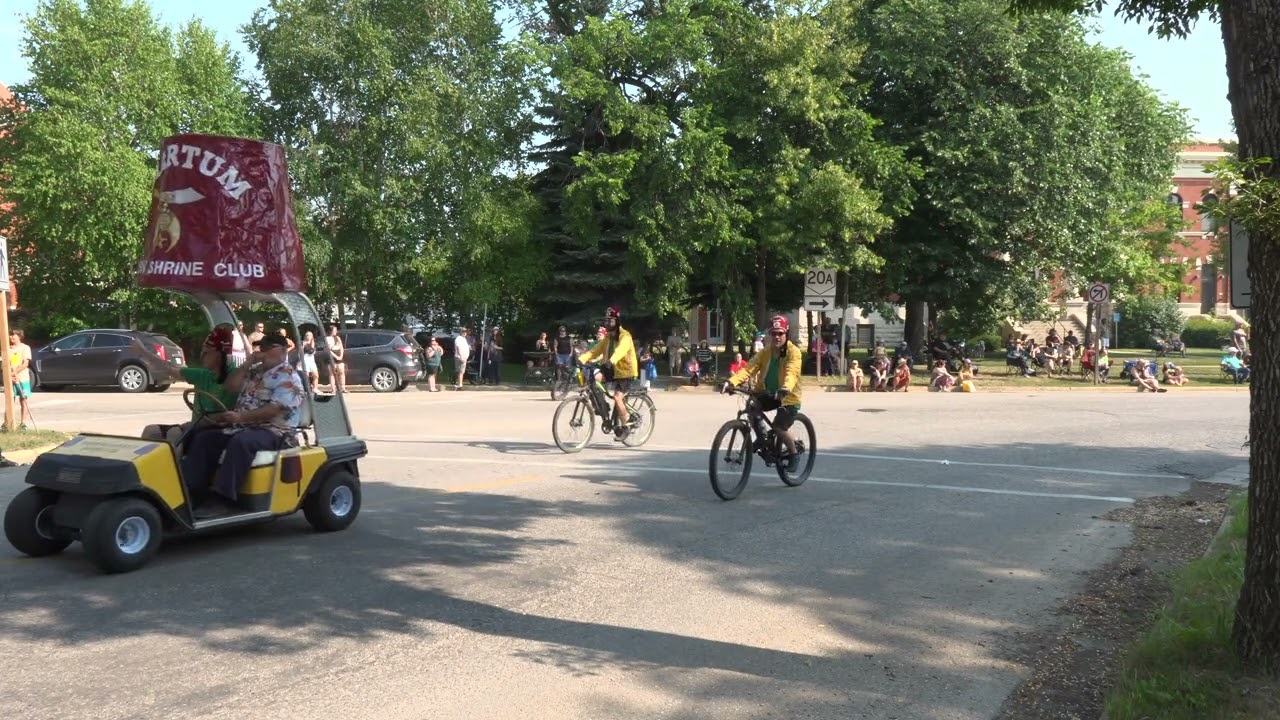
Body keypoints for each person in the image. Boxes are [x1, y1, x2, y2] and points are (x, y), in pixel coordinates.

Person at [180, 334, 305, 518]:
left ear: (283, 351)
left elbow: (272, 410)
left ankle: (224, 499)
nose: (263, 352)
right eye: (261, 348)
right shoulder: (255, 371)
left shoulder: (289, 377)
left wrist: (240, 417)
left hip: (274, 431)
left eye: (268, 348)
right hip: (243, 426)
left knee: (241, 442)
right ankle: (192, 491)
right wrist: (247, 364)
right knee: (204, 438)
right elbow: (230, 387)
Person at [721, 315, 804, 470]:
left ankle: (794, 454)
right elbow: (749, 368)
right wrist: (732, 382)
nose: (777, 337)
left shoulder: (794, 352)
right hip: (768, 393)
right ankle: (762, 438)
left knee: (779, 427)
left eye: (780, 333)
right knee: (752, 406)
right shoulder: (765, 352)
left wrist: (786, 388)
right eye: (773, 333)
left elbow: (791, 372)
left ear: (786, 333)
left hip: (788, 396)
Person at [143, 326, 241, 443]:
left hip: (219, 431)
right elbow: (169, 370)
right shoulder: (203, 374)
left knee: (175, 433)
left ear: (219, 355)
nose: (202, 355)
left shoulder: (236, 377)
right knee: (151, 431)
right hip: (197, 426)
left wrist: (208, 418)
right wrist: (143, 352)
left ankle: (178, 455)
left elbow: (228, 414)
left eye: (206, 352)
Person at [578, 306, 639, 440]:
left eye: (610, 321)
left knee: (617, 398)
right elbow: (595, 351)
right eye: (606, 320)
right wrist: (582, 358)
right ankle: (602, 407)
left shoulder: (625, 336)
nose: (607, 323)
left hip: (625, 371)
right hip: (611, 368)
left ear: (617, 322)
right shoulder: (608, 338)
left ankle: (626, 426)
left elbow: (620, 350)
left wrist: (611, 360)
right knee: (594, 381)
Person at [8, 329, 34, 428]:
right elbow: (4, 365)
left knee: (23, 400)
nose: (10, 337)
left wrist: (15, 372)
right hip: (10, 379)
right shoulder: (7, 349)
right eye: (10, 335)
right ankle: (7, 423)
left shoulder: (25, 348)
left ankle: (24, 423)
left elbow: (25, 364)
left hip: (22, 378)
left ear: (19, 336)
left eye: (13, 335)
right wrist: (10, 375)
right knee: (10, 401)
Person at [325, 324, 346, 393]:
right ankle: (333, 389)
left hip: (339, 354)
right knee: (332, 373)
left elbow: (341, 347)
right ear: (331, 331)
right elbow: (328, 349)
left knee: (341, 372)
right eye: (335, 330)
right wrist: (336, 356)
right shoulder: (327, 338)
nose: (336, 331)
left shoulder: (338, 337)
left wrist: (341, 355)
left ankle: (343, 387)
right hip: (332, 355)